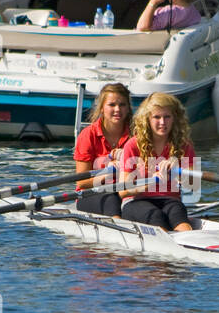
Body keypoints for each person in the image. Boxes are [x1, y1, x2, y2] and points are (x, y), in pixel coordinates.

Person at [117, 92, 195, 232]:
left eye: (167, 117)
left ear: (175, 119)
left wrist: (179, 168)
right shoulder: (133, 145)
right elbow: (122, 191)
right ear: (147, 119)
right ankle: (167, 248)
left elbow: (193, 186)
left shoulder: (184, 145)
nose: (162, 122)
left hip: (170, 200)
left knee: (179, 217)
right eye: (157, 117)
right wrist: (151, 182)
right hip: (136, 201)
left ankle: (190, 246)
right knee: (156, 216)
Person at [73, 82, 132, 215]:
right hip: (90, 194)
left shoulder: (136, 135)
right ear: (102, 108)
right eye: (112, 105)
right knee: (111, 199)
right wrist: (109, 175)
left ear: (128, 108)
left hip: (125, 192)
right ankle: (119, 227)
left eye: (122, 105)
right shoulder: (88, 135)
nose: (117, 109)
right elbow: (82, 182)